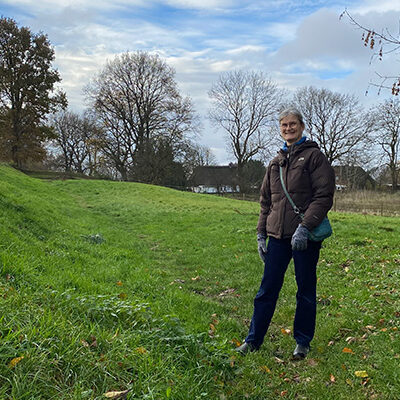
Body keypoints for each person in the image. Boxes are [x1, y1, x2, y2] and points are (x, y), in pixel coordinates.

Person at [236, 107, 335, 360]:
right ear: (280, 129)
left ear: (301, 126)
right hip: (277, 237)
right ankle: (253, 340)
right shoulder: (275, 162)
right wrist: (261, 234)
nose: (288, 128)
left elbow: (324, 197)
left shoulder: (315, 157)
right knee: (266, 290)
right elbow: (265, 202)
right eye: (284, 125)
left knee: (305, 290)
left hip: (304, 238)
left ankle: (302, 342)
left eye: (293, 124)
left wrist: (304, 228)